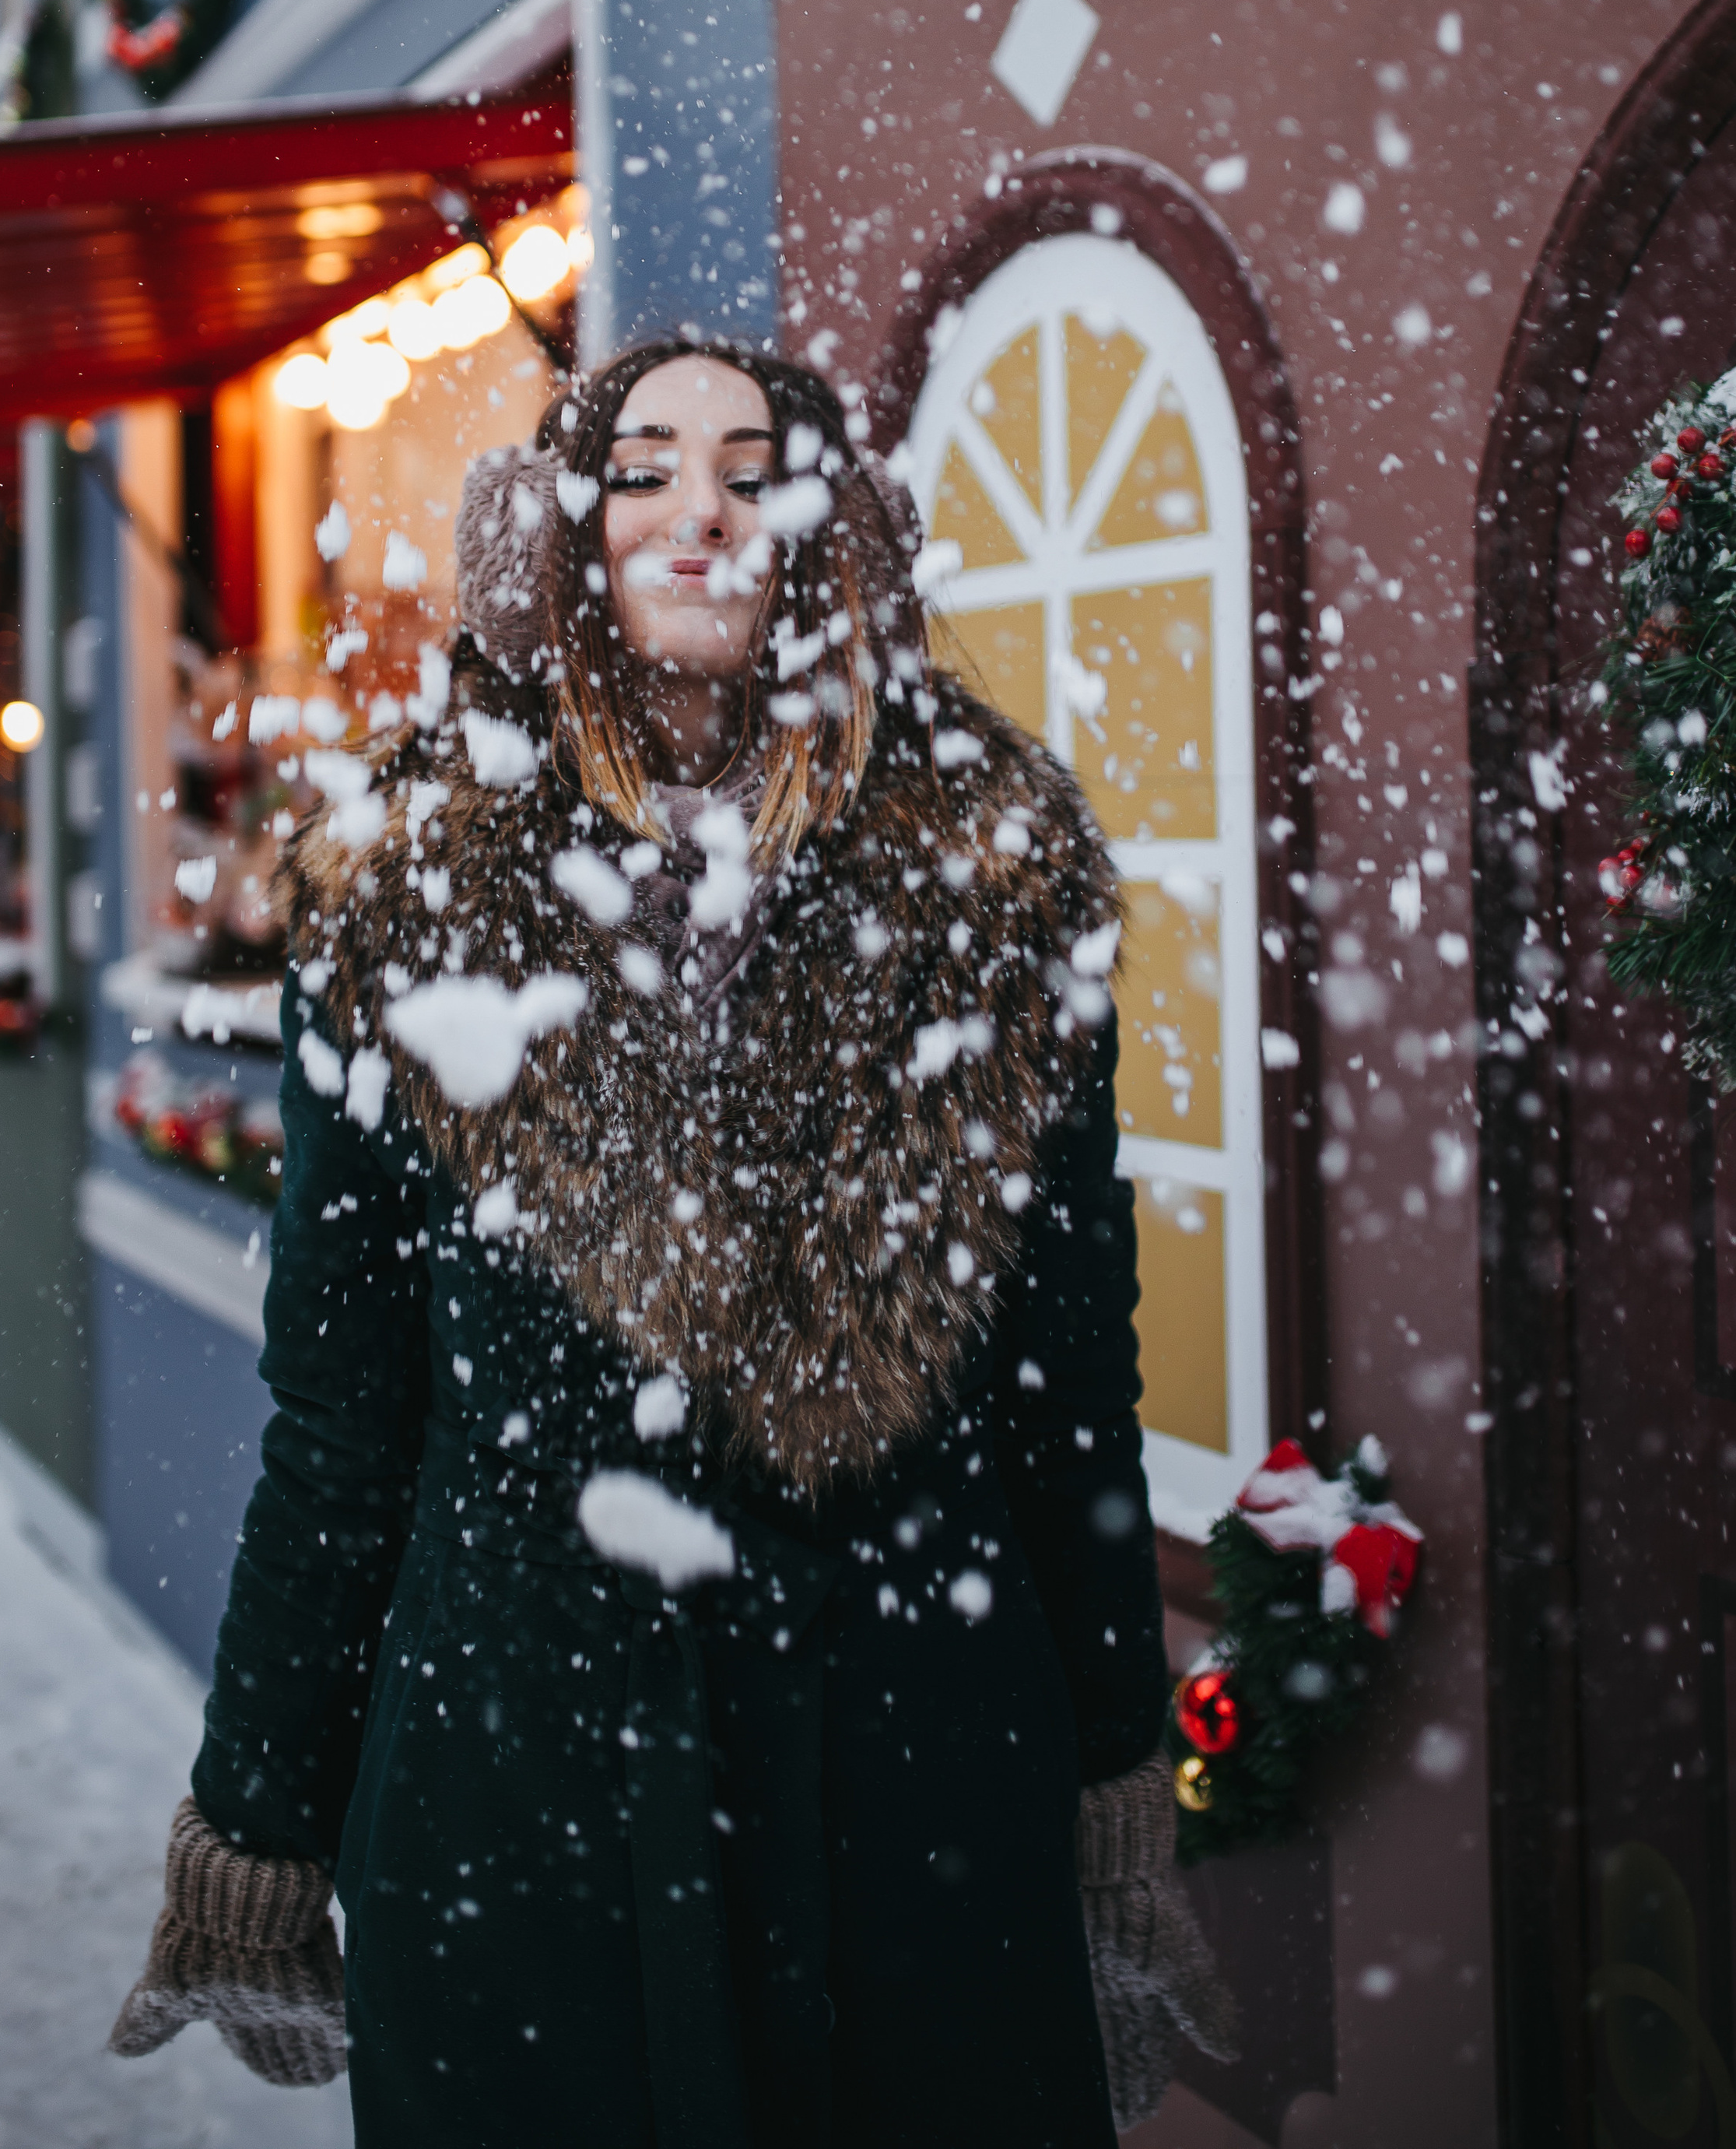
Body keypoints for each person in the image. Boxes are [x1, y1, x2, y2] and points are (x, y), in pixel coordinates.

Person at [110, 337, 1234, 2145]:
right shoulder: (405, 895)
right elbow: (340, 1424)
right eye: (637, 469)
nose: (696, 510)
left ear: (827, 539)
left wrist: (1110, 1802)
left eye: (745, 467)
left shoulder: (993, 885)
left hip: (915, 1781)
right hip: (521, 1799)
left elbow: (1061, 1402)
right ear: (558, 536)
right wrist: (257, 1822)